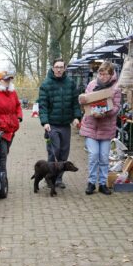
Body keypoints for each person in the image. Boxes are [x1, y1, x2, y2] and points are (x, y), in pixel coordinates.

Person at [79, 61, 121, 195]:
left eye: (105, 74)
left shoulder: (116, 88)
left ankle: (103, 183)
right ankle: (91, 182)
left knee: (103, 157)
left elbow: (116, 107)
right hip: (90, 126)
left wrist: (105, 113)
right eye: (100, 73)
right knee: (93, 155)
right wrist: (83, 100)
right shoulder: (92, 85)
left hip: (106, 127)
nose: (102, 76)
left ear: (111, 75)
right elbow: (85, 101)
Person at [38, 58, 81, 189]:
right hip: (52, 125)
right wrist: (45, 122)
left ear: (65, 68)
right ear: (52, 68)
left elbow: (75, 102)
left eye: (61, 67)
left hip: (65, 125)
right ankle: (49, 177)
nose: (58, 69)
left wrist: (76, 117)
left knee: (64, 153)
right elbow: (43, 105)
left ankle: (59, 179)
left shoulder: (70, 84)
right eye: (56, 67)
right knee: (53, 151)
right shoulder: (46, 84)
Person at [0, 71, 22, 180]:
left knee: (5, 154)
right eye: (5, 79)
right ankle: (2, 179)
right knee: (2, 155)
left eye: (9, 79)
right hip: (0, 130)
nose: (8, 81)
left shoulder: (12, 92)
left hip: (11, 128)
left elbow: (18, 105)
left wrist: (19, 116)